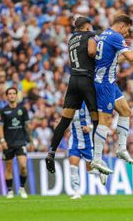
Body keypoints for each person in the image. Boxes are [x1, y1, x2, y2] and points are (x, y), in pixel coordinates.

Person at [91, 15, 133, 174]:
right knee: (105, 120)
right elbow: (131, 57)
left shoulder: (104, 34)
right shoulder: (115, 36)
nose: (127, 33)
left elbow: (111, 59)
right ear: (122, 25)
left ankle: (121, 149)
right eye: (127, 29)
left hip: (110, 82)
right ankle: (97, 159)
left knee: (126, 111)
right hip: (104, 83)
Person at [45, 17, 98, 174]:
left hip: (73, 81)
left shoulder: (71, 39)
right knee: (97, 120)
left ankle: (51, 152)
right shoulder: (89, 36)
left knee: (64, 121)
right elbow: (91, 51)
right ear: (87, 26)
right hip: (86, 80)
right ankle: (97, 157)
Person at [0, 87, 33, 199]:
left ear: (16, 96)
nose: (12, 95)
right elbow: (0, 127)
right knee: (9, 168)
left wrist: (31, 141)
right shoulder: (3, 111)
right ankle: (9, 191)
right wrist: (2, 140)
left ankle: (22, 188)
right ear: (7, 96)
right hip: (8, 143)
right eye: (10, 94)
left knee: (23, 166)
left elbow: (27, 126)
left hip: (21, 142)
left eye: (14, 93)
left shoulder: (23, 110)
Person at [68, 102, 108, 199]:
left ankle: (101, 171)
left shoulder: (90, 104)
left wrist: (90, 127)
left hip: (88, 142)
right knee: (73, 167)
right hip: (74, 141)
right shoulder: (70, 105)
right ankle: (76, 192)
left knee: (90, 170)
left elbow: (101, 121)